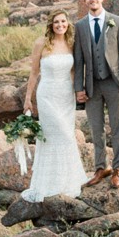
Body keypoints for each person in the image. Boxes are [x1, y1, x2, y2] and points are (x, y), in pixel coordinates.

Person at [18, 11, 87, 202]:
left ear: (67, 24)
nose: (60, 25)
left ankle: (67, 182)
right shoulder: (41, 43)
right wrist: (27, 99)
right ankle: (48, 184)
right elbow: (33, 73)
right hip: (47, 95)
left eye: (63, 21)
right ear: (51, 25)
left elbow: (74, 71)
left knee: (67, 136)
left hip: (66, 97)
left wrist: (78, 91)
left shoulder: (71, 43)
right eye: (56, 22)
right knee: (57, 135)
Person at [73, 0, 119, 188]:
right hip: (92, 86)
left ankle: (118, 169)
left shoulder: (116, 21)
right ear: (85, 1)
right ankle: (101, 168)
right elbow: (78, 60)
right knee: (96, 129)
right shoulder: (80, 26)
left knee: (117, 127)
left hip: (114, 83)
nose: (93, 0)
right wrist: (78, 88)